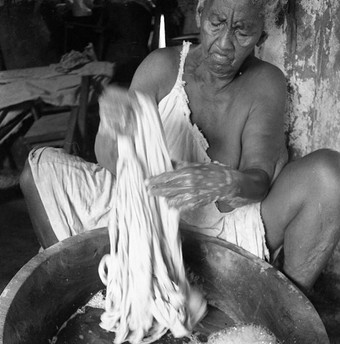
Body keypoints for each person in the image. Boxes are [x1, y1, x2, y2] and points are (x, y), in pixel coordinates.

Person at [20, 0, 340, 296]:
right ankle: (86, 293)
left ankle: (289, 308)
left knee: (330, 175)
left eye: (243, 30)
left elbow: (258, 182)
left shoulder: (266, 83)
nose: (225, 44)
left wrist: (216, 182)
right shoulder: (162, 66)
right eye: (217, 22)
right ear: (200, 13)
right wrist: (115, 135)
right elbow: (110, 156)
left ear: (261, 35)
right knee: (40, 171)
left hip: (221, 229)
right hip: (146, 210)